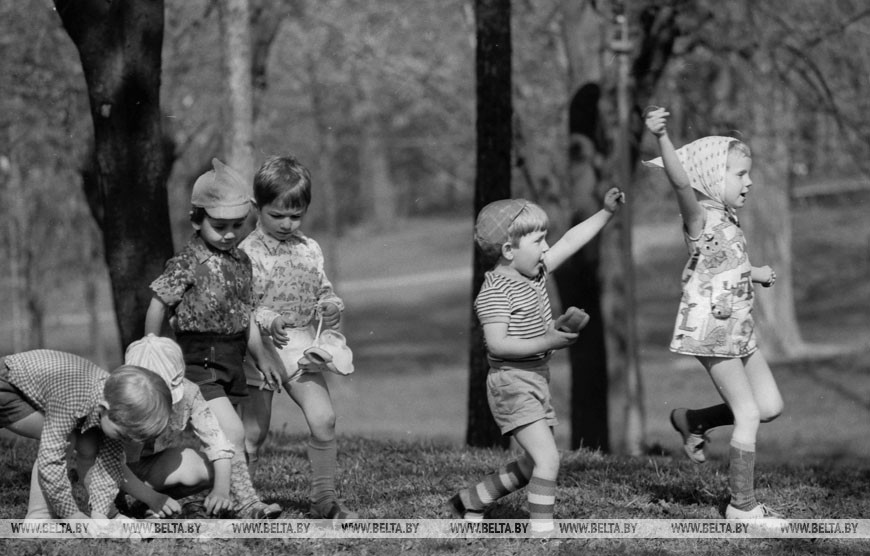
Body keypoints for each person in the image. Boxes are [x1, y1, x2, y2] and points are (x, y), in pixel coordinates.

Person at [449, 188, 625, 535]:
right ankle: (541, 533)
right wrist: (548, 340)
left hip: (536, 378)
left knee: (533, 463)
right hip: (511, 383)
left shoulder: (536, 272)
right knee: (548, 460)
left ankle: (471, 500)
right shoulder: (495, 292)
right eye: (539, 241)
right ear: (508, 250)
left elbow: (572, 240)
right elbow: (498, 345)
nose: (546, 248)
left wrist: (605, 212)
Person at [644, 106, 785, 520]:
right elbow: (680, 180)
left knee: (770, 406)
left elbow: (724, 264)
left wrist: (755, 272)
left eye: (748, 173)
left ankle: (694, 420)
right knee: (747, 414)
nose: (749, 181)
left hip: (740, 330)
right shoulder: (699, 217)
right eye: (740, 174)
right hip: (712, 332)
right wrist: (662, 138)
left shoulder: (728, 219)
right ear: (710, 178)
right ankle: (742, 506)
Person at [144, 158, 283, 516]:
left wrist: (262, 356)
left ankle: (219, 500)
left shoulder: (241, 262)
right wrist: (150, 348)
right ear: (196, 220)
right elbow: (159, 304)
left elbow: (246, 314)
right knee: (233, 433)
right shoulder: (186, 262)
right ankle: (248, 504)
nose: (230, 233)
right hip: (197, 360)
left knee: (223, 440)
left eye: (238, 225)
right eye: (219, 226)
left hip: (232, 357)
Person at [239, 155, 357, 522]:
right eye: (278, 216)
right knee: (253, 433)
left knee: (324, 419)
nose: (288, 224)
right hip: (260, 350)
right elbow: (245, 306)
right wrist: (269, 320)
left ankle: (324, 501)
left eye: (296, 215)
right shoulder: (248, 253)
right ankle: (243, 500)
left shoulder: (310, 249)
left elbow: (322, 290)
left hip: (303, 346)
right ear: (258, 208)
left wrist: (331, 305)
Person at [120, 334, 282, 519]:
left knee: (213, 467)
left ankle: (150, 506)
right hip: (113, 472)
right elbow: (107, 461)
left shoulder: (189, 392)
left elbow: (217, 442)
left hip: (146, 470)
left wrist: (221, 489)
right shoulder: (119, 396)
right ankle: (120, 507)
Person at [0, 349, 170, 519]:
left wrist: (102, 513)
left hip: (41, 390)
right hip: (7, 385)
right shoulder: (72, 400)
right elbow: (50, 460)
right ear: (104, 409)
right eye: (123, 435)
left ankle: (109, 513)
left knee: (89, 446)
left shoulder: (115, 407)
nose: (125, 441)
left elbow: (109, 463)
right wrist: (72, 515)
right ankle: (39, 517)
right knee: (66, 440)